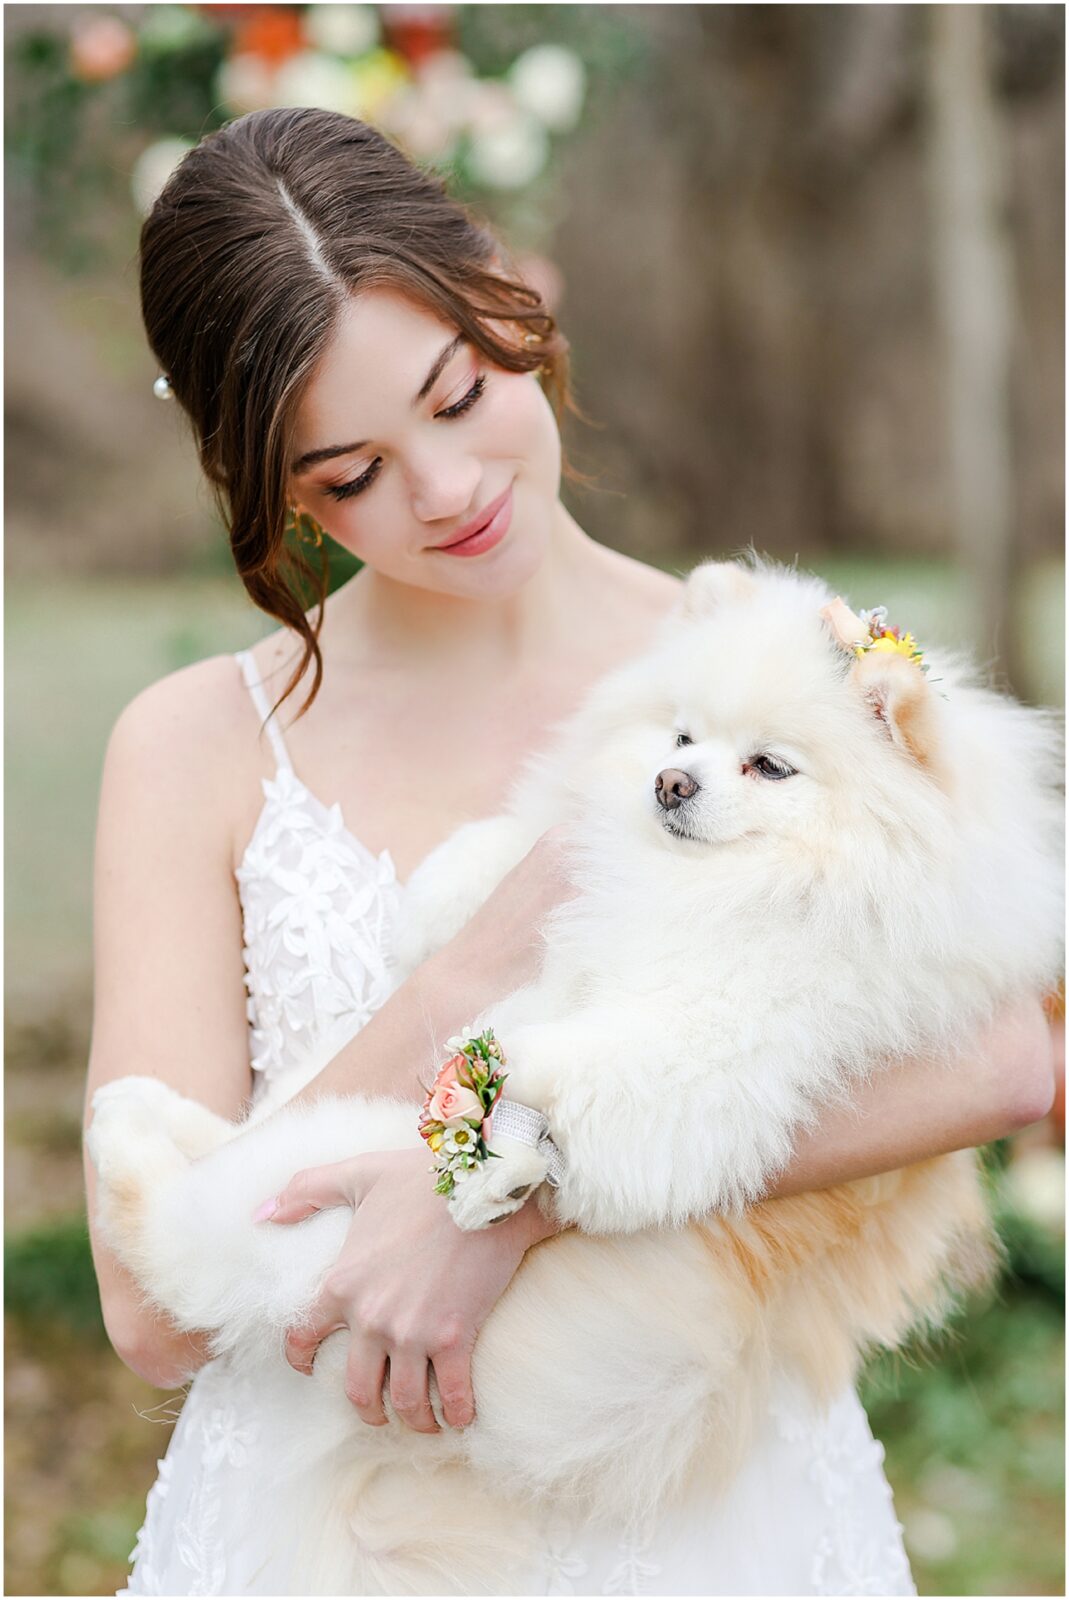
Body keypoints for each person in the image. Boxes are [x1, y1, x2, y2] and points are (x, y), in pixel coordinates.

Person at [83, 107, 1054, 1597]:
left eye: (459, 396)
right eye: (350, 474)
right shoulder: (194, 745)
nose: (446, 489)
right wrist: (469, 969)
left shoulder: (746, 661)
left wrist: (507, 1189)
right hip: (323, 1520)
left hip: (702, 1503)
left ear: (514, 297)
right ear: (272, 485)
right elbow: (149, 1317)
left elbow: (1000, 1057)